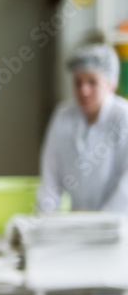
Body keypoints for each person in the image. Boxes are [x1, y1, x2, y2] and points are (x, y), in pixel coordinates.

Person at [37, 43, 128, 214]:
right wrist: (45, 218)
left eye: (93, 82)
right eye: (78, 82)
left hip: (120, 220)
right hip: (78, 219)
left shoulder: (123, 117)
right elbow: (50, 175)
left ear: (111, 83)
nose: (84, 91)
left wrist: (103, 220)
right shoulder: (63, 115)